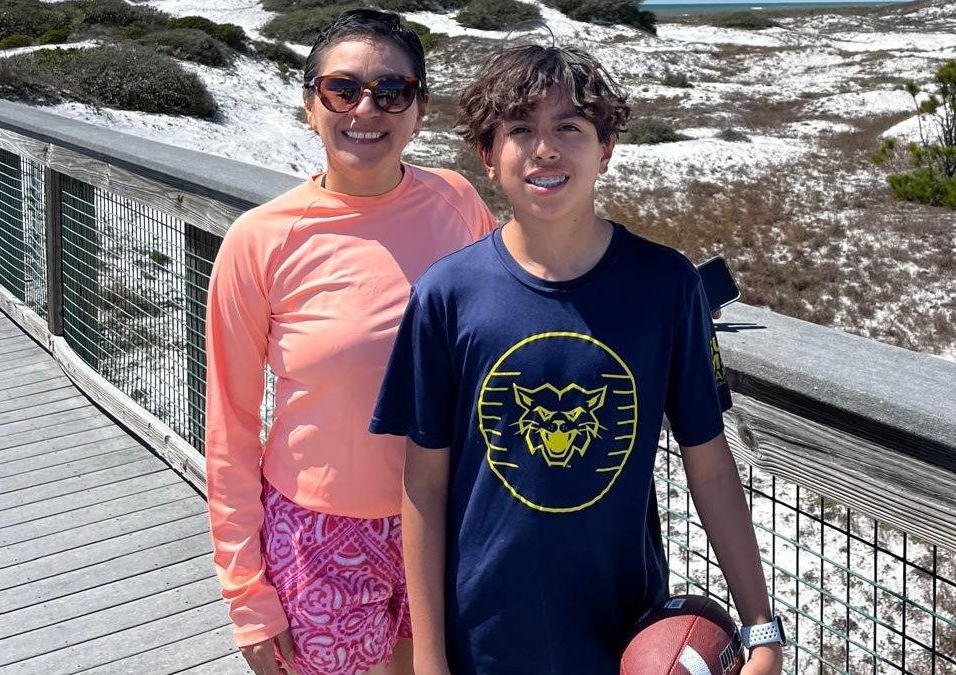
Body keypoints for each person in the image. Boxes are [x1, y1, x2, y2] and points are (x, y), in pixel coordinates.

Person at [369, 45, 785, 674]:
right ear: (487, 155)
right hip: (482, 635)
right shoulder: (447, 294)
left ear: (606, 148)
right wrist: (430, 662)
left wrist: (761, 627)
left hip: (624, 633)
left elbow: (710, 464)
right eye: (519, 129)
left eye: (569, 127)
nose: (545, 149)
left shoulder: (665, 285)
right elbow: (423, 485)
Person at [204, 10, 496, 675]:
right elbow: (230, 428)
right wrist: (247, 594)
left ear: (419, 109)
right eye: (343, 88)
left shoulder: (456, 202)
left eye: (392, 91)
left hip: (445, 519)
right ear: (311, 104)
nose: (368, 107)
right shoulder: (260, 239)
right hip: (316, 534)